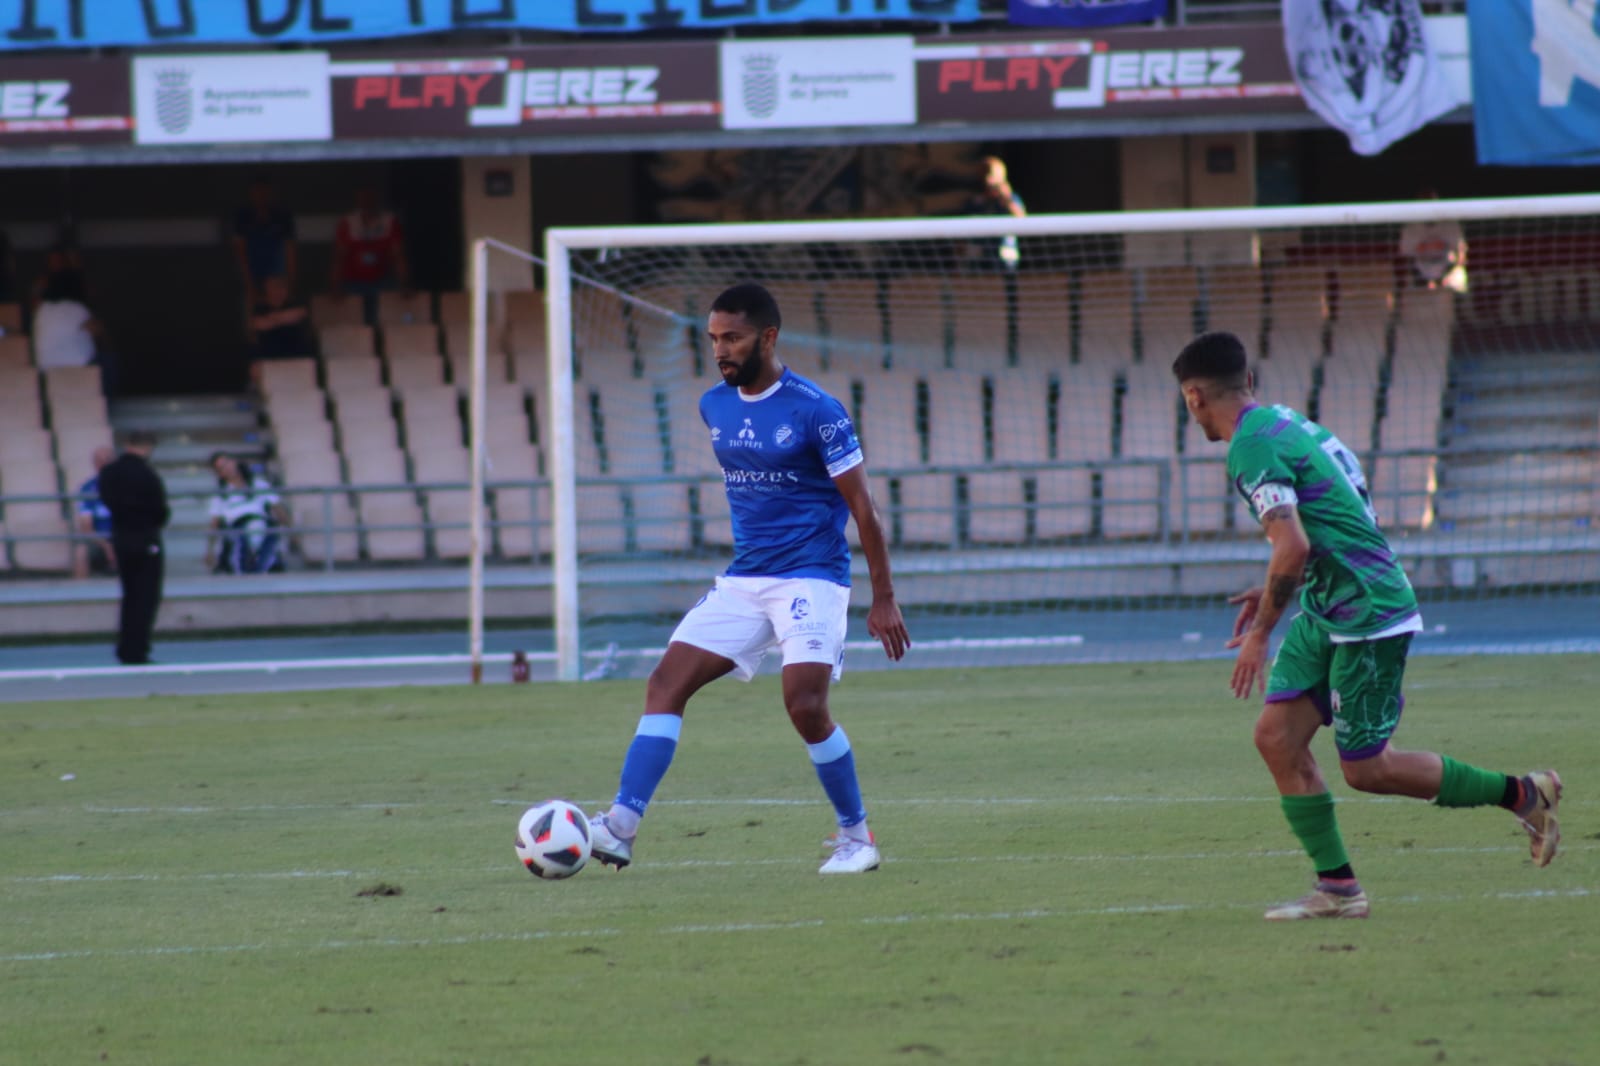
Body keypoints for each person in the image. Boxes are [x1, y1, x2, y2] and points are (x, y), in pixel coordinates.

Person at [1171, 331, 1561, 920]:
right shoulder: (1284, 422)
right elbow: (1345, 504)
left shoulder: (1247, 447)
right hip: (1331, 602)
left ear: (1194, 396)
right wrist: (1287, 579)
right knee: (1276, 738)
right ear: (1248, 382)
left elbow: (1294, 542)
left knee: (1367, 769)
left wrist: (1259, 632)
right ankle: (1339, 890)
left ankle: (1523, 794)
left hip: (1368, 612)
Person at [586, 282, 911, 876]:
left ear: (768, 337)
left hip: (811, 580)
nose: (720, 350)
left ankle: (856, 838)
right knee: (665, 683)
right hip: (745, 580)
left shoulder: (817, 410)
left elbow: (864, 509)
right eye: (713, 339)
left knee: (805, 705)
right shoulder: (714, 404)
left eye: (732, 338)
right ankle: (618, 828)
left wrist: (882, 598)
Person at [96, 431, 169, 665]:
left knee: (129, 595)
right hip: (146, 538)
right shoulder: (147, 474)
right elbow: (160, 509)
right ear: (148, 447)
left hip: (122, 538)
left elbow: (108, 501)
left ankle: (126, 647)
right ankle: (137, 649)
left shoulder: (109, 473)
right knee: (146, 596)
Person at [329, 187, 408, 324]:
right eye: (363, 199)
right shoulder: (348, 222)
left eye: (370, 199)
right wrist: (335, 285)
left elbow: (398, 256)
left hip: (382, 281)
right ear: (358, 202)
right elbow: (339, 258)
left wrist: (404, 283)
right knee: (355, 322)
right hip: (353, 283)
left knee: (389, 318)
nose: (367, 203)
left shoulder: (389, 221)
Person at [204, 452, 288, 574]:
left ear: (234, 462)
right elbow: (214, 523)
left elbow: (279, 510)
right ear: (220, 473)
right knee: (239, 539)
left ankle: (262, 568)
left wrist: (292, 532)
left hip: (261, 525)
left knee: (267, 534)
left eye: (227, 463)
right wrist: (210, 550)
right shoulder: (221, 495)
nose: (227, 468)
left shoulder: (259, 485)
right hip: (237, 528)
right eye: (221, 468)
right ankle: (246, 572)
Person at [232, 176, 298, 309]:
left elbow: (290, 251)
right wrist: (249, 284)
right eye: (257, 192)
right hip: (253, 275)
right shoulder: (243, 217)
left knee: (279, 314)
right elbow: (240, 252)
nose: (261, 196)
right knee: (254, 315)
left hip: (277, 277)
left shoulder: (282, 216)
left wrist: (290, 283)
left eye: (264, 192)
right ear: (251, 193)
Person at [246, 275, 313, 390]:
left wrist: (273, 318)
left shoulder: (295, 304)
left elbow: (299, 314)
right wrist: (283, 318)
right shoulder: (259, 308)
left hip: (294, 355)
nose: (277, 291)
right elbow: (259, 325)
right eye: (273, 287)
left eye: (281, 287)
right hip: (268, 356)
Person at [964, 155, 1026, 271]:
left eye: (991, 175)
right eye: (985, 175)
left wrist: (1006, 198)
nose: (988, 181)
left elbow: (1021, 218)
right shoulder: (975, 199)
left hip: (1004, 251)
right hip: (980, 253)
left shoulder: (1010, 198)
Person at [1398, 187, 1467, 293]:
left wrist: (1444, 278)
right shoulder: (1410, 228)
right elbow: (1404, 258)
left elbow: (1461, 256)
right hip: (1419, 277)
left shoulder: (1450, 225)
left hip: (1449, 275)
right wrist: (1425, 282)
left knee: (1460, 278)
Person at [32, 268, 102, 370]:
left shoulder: (41, 310)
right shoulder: (77, 309)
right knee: (108, 357)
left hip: (46, 374)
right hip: (79, 372)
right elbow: (97, 332)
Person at [73, 445, 118, 579]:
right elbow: (86, 526)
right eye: (99, 460)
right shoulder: (88, 488)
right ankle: (79, 594)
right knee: (81, 552)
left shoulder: (128, 484)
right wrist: (106, 545)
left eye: (107, 460)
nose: (103, 464)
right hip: (99, 539)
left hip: (123, 536)